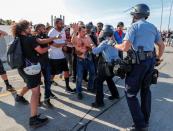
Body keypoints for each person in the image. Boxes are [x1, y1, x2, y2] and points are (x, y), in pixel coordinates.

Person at [114, 4, 165, 131]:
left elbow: (125, 47)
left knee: (130, 93)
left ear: (136, 14)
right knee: (145, 91)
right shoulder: (153, 27)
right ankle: (145, 120)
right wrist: (157, 58)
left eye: (133, 15)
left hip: (138, 64)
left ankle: (140, 126)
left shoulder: (134, 26)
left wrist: (115, 45)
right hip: (150, 61)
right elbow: (161, 45)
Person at [13, 20, 59, 128]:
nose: (31, 28)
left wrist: (51, 39)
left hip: (22, 68)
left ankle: (19, 97)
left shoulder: (19, 38)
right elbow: (41, 51)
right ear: (24, 30)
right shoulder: (30, 39)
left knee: (30, 85)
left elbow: (40, 41)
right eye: (29, 27)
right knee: (35, 91)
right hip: (31, 68)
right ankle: (33, 119)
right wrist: (50, 47)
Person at [91, 25, 120, 108]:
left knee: (98, 81)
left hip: (108, 65)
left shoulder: (105, 42)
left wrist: (92, 45)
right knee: (109, 79)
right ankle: (115, 95)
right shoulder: (114, 41)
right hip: (115, 65)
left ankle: (99, 102)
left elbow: (95, 51)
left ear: (105, 33)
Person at [48, 18, 75, 93]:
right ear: (56, 24)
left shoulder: (62, 30)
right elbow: (55, 45)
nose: (62, 25)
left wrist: (70, 44)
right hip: (53, 57)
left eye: (62, 23)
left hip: (62, 56)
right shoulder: (51, 33)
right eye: (61, 23)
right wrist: (65, 44)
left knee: (66, 71)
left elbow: (64, 40)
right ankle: (48, 91)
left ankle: (67, 87)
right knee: (52, 74)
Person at [71, 23, 95, 100]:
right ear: (79, 31)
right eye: (83, 31)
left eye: (85, 31)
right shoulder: (76, 38)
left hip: (89, 58)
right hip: (80, 60)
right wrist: (74, 31)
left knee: (93, 73)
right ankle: (79, 92)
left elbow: (92, 44)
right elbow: (72, 41)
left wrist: (91, 47)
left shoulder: (87, 36)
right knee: (79, 77)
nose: (85, 32)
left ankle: (90, 87)